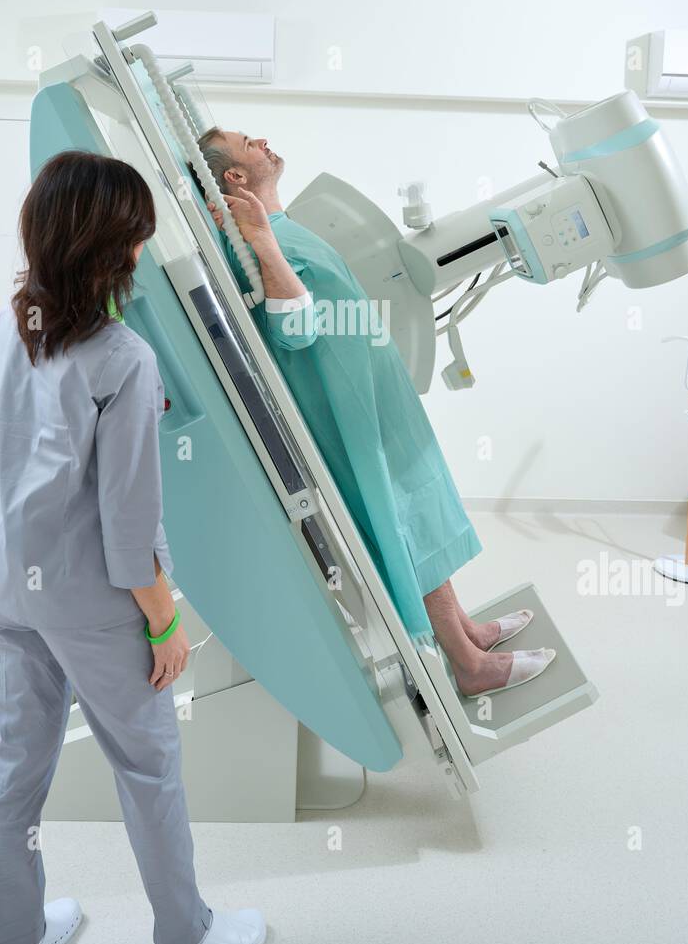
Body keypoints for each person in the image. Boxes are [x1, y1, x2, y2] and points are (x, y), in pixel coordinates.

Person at [0, 150, 265, 944]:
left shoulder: (8, 325)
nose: (142, 250)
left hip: (10, 581)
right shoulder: (124, 361)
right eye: (136, 236)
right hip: (92, 598)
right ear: (112, 247)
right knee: (148, 767)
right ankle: (186, 939)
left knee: (15, 768)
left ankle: (15, 942)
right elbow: (129, 526)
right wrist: (166, 621)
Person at [192, 130, 556, 698]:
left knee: (424, 514)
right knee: (406, 525)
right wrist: (262, 241)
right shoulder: (258, 243)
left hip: (377, 399)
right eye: (246, 142)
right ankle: (466, 665)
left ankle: (466, 630)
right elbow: (295, 329)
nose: (262, 140)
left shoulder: (285, 228)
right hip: (348, 415)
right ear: (234, 178)